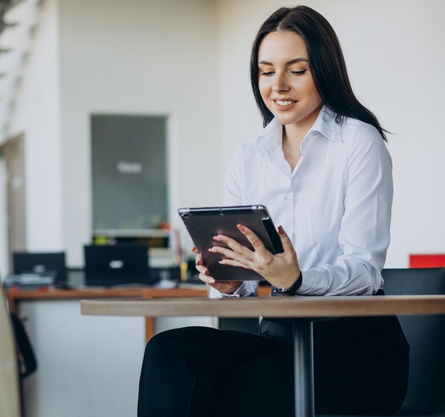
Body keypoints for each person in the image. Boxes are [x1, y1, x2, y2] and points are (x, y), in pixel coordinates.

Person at [137, 5, 409, 417]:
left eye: (296, 70)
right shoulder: (249, 156)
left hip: (356, 348)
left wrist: (296, 279)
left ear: (324, 70)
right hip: (279, 338)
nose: (278, 85)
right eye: (266, 71)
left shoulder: (359, 141)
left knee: (209, 391)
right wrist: (229, 282)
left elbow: (365, 270)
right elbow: (245, 282)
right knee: (170, 354)